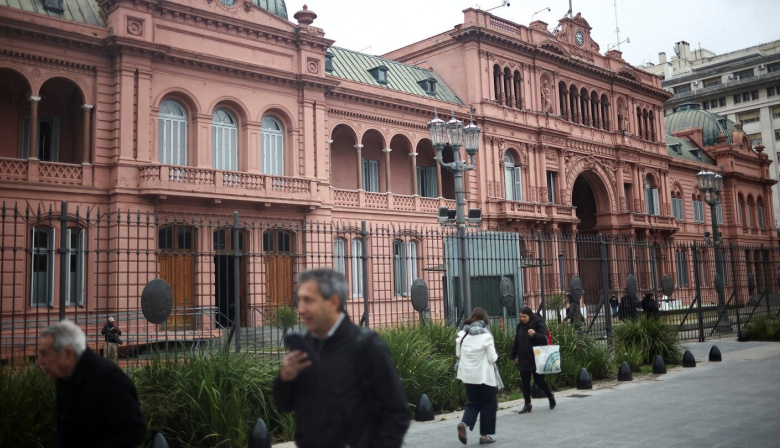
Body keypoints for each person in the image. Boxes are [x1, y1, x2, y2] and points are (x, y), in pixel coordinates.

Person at [272, 268, 410, 448]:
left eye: (309, 300)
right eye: (300, 300)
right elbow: (284, 405)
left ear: (333, 302)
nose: (301, 309)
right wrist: (285, 379)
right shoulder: (306, 345)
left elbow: (396, 411)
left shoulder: (365, 345)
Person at [37, 319, 147, 448]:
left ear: (68, 353)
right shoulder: (65, 375)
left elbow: (134, 432)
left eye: (45, 354)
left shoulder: (108, 377)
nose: (40, 361)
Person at [455, 307, 501, 445]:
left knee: (473, 402)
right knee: (488, 404)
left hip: (468, 376)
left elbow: (458, 355)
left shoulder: (462, 335)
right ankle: (484, 435)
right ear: (484, 320)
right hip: (484, 376)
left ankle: (464, 423)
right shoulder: (486, 335)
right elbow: (492, 358)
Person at [510, 306, 555, 414]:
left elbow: (544, 339)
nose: (522, 319)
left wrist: (534, 335)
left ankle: (550, 395)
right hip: (523, 357)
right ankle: (527, 404)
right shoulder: (520, 326)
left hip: (536, 358)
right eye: (520, 317)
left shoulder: (538, 323)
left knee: (539, 381)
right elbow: (517, 340)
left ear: (530, 316)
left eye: (524, 317)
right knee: (525, 382)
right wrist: (513, 355)